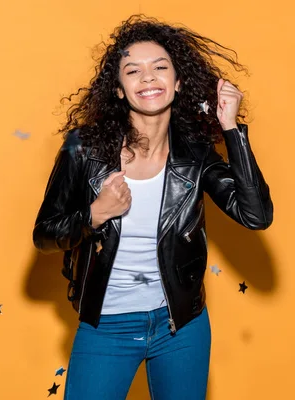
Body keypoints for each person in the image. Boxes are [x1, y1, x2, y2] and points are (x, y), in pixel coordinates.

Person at [32, 14, 273, 400]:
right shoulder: (85, 148)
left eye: (160, 67)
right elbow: (45, 236)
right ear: (118, 89)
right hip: (105, 326)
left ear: (177, 83)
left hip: (181, 327)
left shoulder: (194, 156)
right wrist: (95, 214)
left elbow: (255, 215)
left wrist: (231, 129)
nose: (147, 77)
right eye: (133, 70)